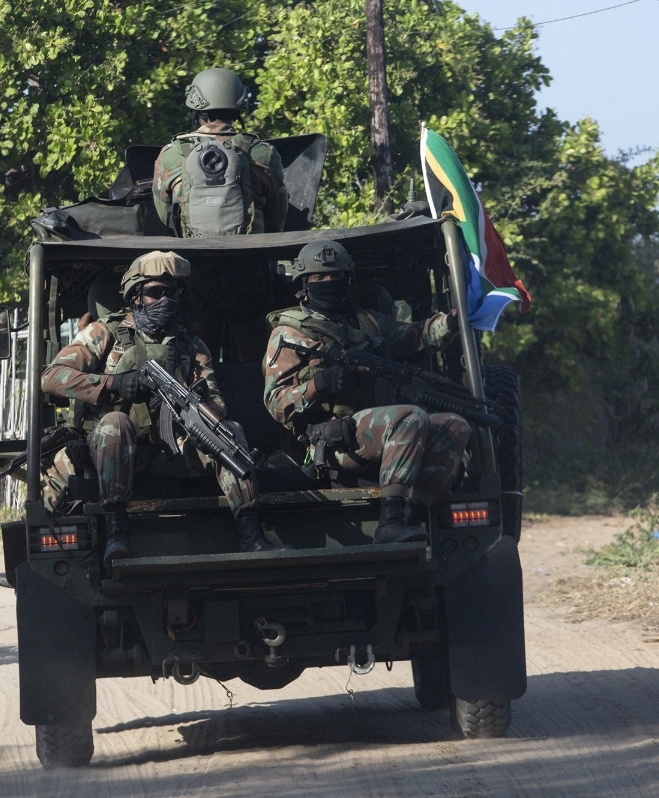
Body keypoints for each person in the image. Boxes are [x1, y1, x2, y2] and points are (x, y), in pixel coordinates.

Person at [41, 250, 282, 566]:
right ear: (135, 296)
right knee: (115, 422)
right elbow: (52, 377)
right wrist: (113, 384)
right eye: (156, 292)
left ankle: (251, 534)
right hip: (117, 455)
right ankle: (116, 532)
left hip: (173, 453)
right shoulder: (105, 333)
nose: (166, 299)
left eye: (173, 292)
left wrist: (195, 419)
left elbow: (215, 403)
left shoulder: (191, 345)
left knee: (229, 432)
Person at [262, 241, 472, 544]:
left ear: (348, 280)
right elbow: (276, 404)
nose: (328, 283)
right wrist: (319, 385)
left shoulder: (369, 323)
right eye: (319, 278)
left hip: (383, 430)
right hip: (332, 441)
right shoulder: (288, 333)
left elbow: (417, 335)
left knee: (454, 425)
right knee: (410, 417)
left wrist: (451, 320)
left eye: (336, 277)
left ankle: (412, 517)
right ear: (303, 285)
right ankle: (389, 522)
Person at [152, 68, 288, 237]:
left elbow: (165, 216)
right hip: (251, 257)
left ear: (195, 107)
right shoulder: (262, 153)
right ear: (239, 106)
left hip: (191, 257)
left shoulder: (171, 155)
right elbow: (277, 217)